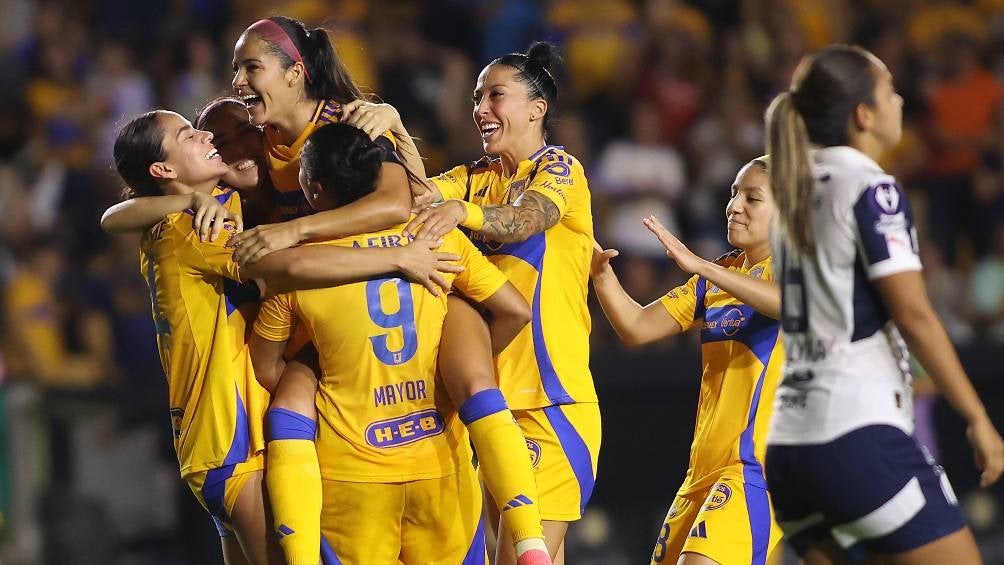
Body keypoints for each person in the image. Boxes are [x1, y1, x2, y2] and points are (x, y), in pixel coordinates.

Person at [229, 16, 550, 564]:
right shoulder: (256, 138)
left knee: (289, 404)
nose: (236, 81)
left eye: (250, 67)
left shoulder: (348, 125)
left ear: (294, 73)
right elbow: (512, 309)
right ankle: (530, 539)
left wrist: (295, 233)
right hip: (411, 306)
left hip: (336, 331)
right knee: (471, 376)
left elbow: (398, 203)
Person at [111, 109, 462, 565]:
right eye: (186, 134)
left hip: (217, 441)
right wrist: (398, 257)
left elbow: (114, 214)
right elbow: (290, 267)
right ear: (164, 170)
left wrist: (392, 123)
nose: (205, 135)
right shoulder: (196, 229)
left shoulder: (203, 205)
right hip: (234, 440)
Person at [763, 44, 1004, 564]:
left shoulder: (791, 193)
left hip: (789, 448)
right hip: (856, 438)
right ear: (863, 115)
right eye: (889, 90)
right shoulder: (871, 186)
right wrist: (977, 416)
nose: (901, 101)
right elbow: (914, 314)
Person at [366, 41, 598, 564]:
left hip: (549, 400)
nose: (480, 109)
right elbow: (417, 198)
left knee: (518, 556)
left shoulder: (559, 167)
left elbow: (525, 220)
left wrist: (462, 215)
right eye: (476, 97)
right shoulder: (475, 177)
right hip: (492, 404)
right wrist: (397, 130)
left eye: (496, 95)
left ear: (536, 110)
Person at [591, 158, 784, 565]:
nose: (734, 206)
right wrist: (601, 275)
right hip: (700, 474)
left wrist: (700, 265)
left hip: (753, 472)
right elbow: (637, 327)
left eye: (752, 197)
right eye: (733, 193)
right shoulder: (715, 279)